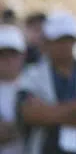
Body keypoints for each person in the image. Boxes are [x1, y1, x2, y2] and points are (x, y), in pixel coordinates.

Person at [18, 11, 76, 154]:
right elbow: (30, 114)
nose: (64, 46)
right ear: (47, 41)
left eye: (68, 40)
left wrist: (49, 110)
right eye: (58, 40)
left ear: (75, 41)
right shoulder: (31, 75)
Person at [0, 25, 26, 154]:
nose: (8, 60)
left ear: (22, 56)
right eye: (2, 55)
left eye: (12, 54)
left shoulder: (34, 85)